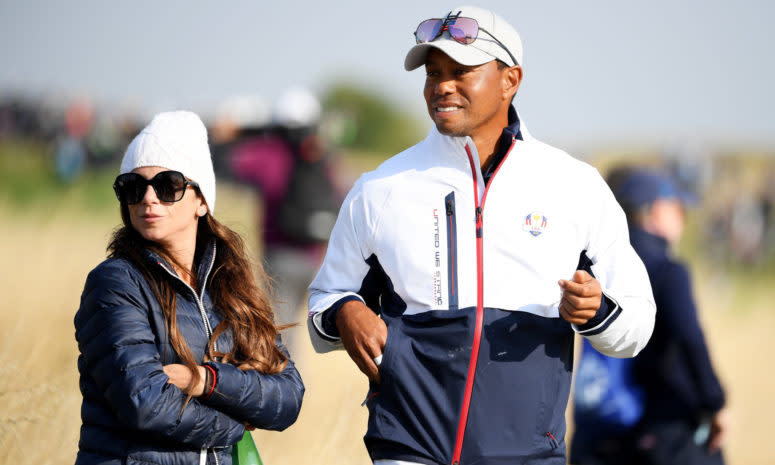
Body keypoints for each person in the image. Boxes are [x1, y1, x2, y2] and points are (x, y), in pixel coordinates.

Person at [307, 6, 655, 465]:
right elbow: (323, 304)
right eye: (433, 73)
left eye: (461, 71)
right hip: (406, 449)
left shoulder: (576, 186)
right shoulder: (380, 188)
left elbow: (637, 325)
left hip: (529, 454)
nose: (441, 86)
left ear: (510, 79)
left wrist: (596, 311)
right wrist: (345, 313)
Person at [74, 111, 304, 465]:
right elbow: (144, 403)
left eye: (168, 186)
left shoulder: (229, 284)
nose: (149, 198)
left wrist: (205, 380)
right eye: (133, 188)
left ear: (201, 200)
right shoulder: (115, 282)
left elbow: (288, 396)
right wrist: (236, 427)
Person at [573, 169, 727, 465]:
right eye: (678, 210)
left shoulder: (595, 265)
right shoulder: (668, 270)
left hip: (597, 433)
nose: (683, 218)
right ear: (657, 211)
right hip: (660, 429)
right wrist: (714, 402)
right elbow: (690, 340)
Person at [229, 87, 342, 350]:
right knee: (298, 331)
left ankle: (286, 386)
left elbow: (235, 164)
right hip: (316, 257)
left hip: (279, 257)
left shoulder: (269, 154)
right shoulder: (321, 154)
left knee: (281, 331)